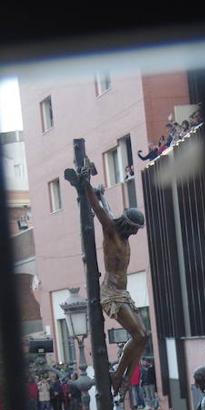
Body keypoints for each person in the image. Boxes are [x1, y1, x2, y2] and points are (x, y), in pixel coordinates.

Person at [72, 166, 148, 396]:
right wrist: (85, 183)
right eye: (135, 229)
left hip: (124, 293)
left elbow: (107, 206)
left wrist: (103, 195)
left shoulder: (123, 236)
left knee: (144, 337)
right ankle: (118, 376)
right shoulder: (111, 231)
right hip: (111, 294)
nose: (135, 234)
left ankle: (123, 379)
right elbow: (98, 208)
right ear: (127, 224)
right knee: (139, 335)